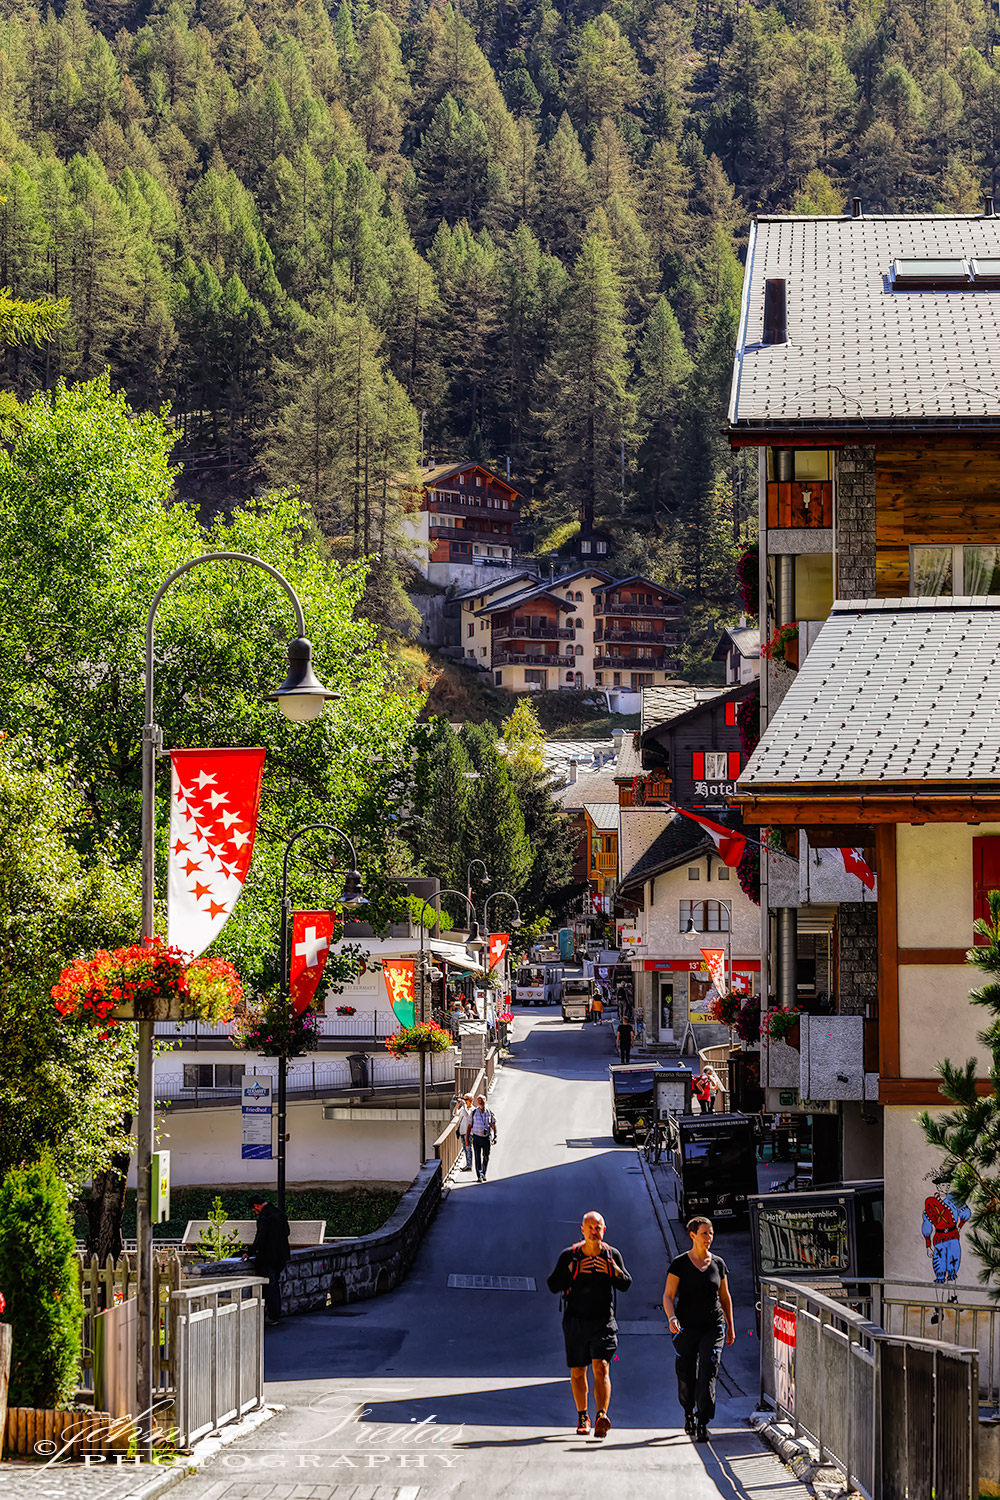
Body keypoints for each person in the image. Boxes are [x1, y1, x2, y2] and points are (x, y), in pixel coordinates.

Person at [547, 1211, 632, 1439]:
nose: (594, 1232)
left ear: (604, 1230)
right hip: (575, 1321)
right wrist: (572, 1271)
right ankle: (583, 1415)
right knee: (578, 1371)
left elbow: (625, 1284)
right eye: (590, 1228)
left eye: (598, 1228)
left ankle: (601, 1416)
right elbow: (553, 1284)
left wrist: (613, 1270)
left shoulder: (611, 1255)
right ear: (582, 1230)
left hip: (604, 1320)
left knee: (602, 1367)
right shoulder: (570, 1255)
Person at [663, 1217, 735, 1442]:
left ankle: (703, 1420)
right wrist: (671, 1316)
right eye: (704, 1233)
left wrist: (730, 1326)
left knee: (708, 1369)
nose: (709, 1238)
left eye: (711, 1233)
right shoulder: (679, 1264)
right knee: (685, 1372)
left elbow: (725, 1297)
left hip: (713, 1326)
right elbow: (668, 1296)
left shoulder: (718, 1264)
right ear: (692, 1235)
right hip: (685, 1326)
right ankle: (688, 1411)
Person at [247, 1192, 291, 1325]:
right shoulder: (280, 1214)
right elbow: (287, 1232)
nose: (255, 1212)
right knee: (275, 1284)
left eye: (254, 1210)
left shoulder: (264, 1217)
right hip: (281, 1255)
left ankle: (272, 1316)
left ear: (256, 1206)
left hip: (267, 1256)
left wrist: (250, 1252)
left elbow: (261, 1236)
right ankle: (276, 1314)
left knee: (268, 1285)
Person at [466, 1094, 497, 1181]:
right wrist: (467, 1140)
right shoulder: (474, 1112)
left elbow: (494, 1124)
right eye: (479, 1101)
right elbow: (469, 1126)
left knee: (486, 1156)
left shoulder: (489, 1112)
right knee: (477, 1157)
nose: (480, 1103)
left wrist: (495, 1136)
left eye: (482, 1101)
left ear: (485, 1101)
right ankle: (479, 1175)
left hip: (486, 1137)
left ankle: (484, 1173)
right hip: (476, 1137)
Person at [454, 1093, 474, 1172]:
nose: (465, 1101)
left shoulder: (472, 1109)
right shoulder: (463, 1108)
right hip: (462, 1131)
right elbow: (455, 1113)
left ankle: (469, 1165)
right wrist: (457, 1105)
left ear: (471, 1100)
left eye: (466, 1099)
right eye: (464, 1099)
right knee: (465, 1149)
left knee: (468, 1148)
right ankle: (467, 1164)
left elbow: (467, 1115)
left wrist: (464, 1105)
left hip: (468, 1132)